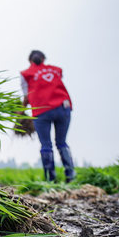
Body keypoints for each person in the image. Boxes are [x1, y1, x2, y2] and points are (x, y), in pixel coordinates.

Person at [20, 50, 74, 182]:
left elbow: (27, 97)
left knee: (46, 145)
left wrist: (20, 112)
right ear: (44, 59)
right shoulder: (56, 70)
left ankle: (51, 179)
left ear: (30, 61)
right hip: (63, 107)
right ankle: (70, 176)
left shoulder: (26, 74)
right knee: (61, 142)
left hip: (41, 111)